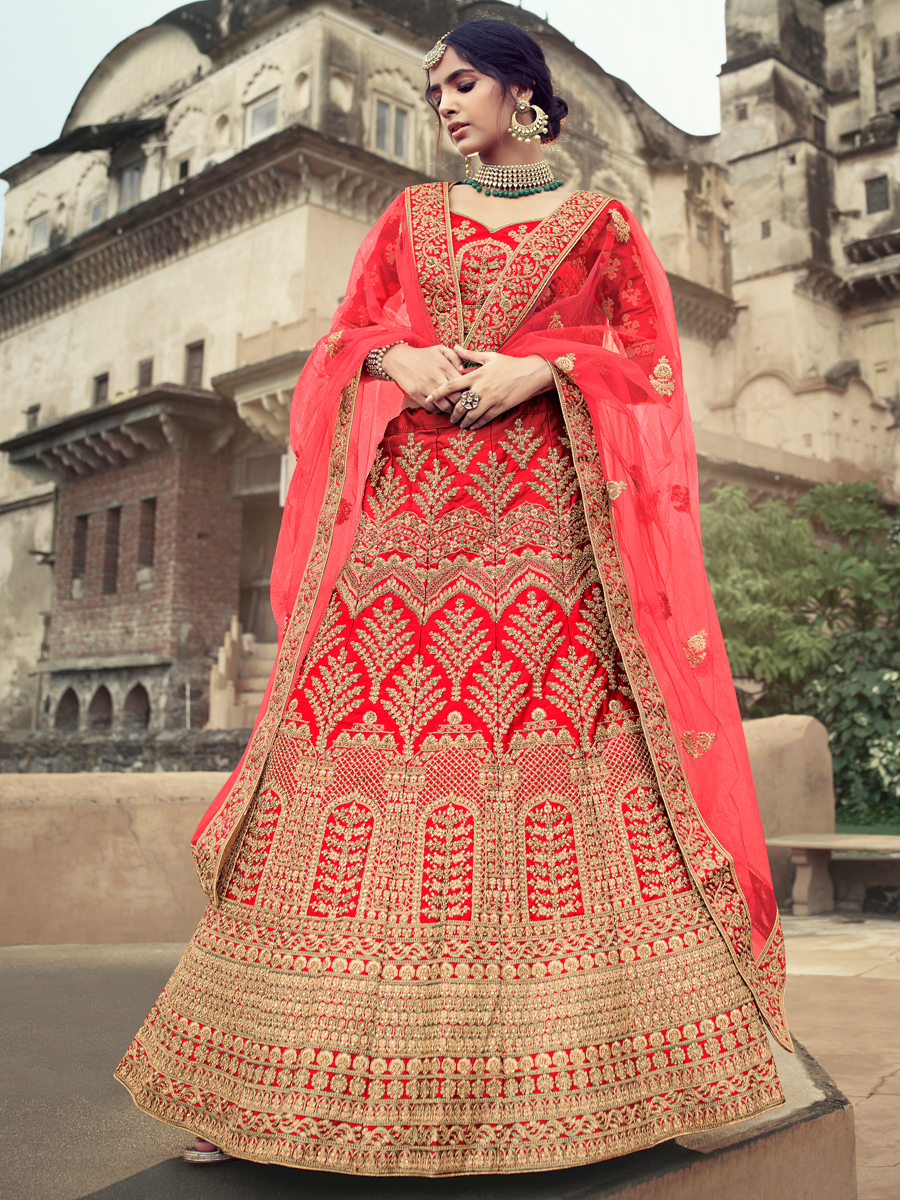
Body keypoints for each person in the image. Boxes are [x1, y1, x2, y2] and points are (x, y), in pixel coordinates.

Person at [115, 18, 791, 1176]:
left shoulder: (601, 222)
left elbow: (655, 362)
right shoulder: (408, 221)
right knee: (354, 764)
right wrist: (394, 360)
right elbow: (344, 340)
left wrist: (551, 363)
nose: (443, 101)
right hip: (405, 530)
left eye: (463, 81)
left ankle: (639, 1077)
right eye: (431, 88)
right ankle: (258, 1085)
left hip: (543, 536)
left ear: (525, 94)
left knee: (560, 776)